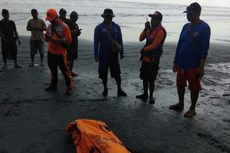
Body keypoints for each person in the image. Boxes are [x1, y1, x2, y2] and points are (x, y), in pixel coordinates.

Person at [169, 2, 211, 117]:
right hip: (181, 62)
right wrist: (175, 61)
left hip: (194, 64)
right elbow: (180, 44)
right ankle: (181, 103)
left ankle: (192, 108)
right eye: (187, 13)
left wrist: (201, 67)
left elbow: (204, 49)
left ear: (197, 13)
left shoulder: (204, 28)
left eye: (190, 13)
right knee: (180, 84)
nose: (187, 15)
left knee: (194, 87)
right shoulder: (185, 26)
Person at [94, 8, 127, 97]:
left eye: (110, 17)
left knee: (117, 73)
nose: (109, 18)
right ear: (104, 17)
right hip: (103, 54)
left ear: (112, 17)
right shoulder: (98, 28)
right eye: (107, 16)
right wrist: (96, 55)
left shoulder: (116, 27)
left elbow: (120, 40)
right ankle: (105, 88)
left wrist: (122, 52)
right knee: (103, 73)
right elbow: (96, 42)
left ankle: (119, 89)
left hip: (114, 54)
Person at [136, 11, 167, 104]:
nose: (152, 20)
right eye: (152, 18)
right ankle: (145, 94)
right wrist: (145, 29)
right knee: (144, 77)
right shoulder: (150, 29)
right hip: (145, 58)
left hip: (153, 59)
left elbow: (155, 45)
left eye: (154, 19)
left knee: (152, 79)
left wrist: (144, 49)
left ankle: (151, 96)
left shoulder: (161, 31)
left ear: (159, 20)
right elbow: (141, 38)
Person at [44, 8, 73, 95]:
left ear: (57, 17)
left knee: (65, 71)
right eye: (49, 20)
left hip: (61, 53)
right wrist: (46, 38)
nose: (50, 21)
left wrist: (56, 41)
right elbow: (47, 39)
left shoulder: (64, 26)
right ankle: (54, 84)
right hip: (51, 52)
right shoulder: (49, 26)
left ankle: (69, 86)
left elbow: (68, 40)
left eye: (52, 19)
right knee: (52, 69)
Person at [67, 11, 81, 76]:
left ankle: (70, 71)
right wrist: (74, 32)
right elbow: (66, 33)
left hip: (74, 42)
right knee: (68, 58)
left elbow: (77, 33)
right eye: (75, 18)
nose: (76, 19)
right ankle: (67, 71)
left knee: (72, 58)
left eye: (77, 18)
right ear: (71, 17)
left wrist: (78, 33)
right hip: (68, 43)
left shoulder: (75, 24)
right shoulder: (67, 23)